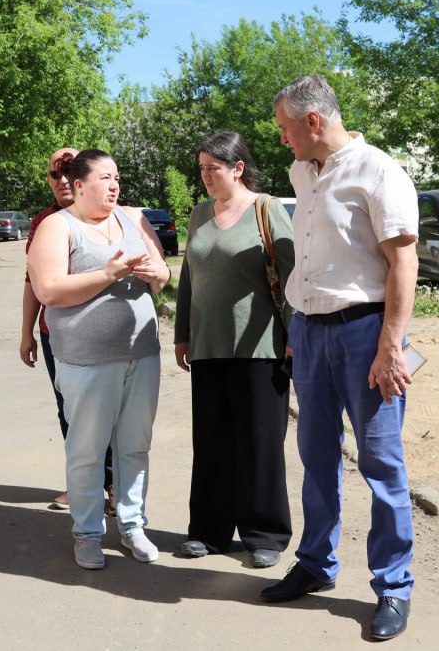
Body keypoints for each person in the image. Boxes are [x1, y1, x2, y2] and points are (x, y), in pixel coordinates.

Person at [260, 75, 418, 643]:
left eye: (284, 128)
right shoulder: (303, 173)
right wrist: (297, 325)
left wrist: (391, 347)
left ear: (313, 122)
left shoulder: (378, 170)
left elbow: (403, 263)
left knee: (381, 464)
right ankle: (316, 564)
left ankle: (393, 586)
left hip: (365, 333)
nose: (281, 140)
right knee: (316, 455)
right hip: (311, 332)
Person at [27, 149, 170, 570]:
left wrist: (153, 275)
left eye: (117, 178)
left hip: (140, 355)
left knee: (134, 447)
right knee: (87, 451)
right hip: (86, 361)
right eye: (105, 178)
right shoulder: (56, 226)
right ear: (80, 183)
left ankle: (132, 526)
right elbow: (49, 290)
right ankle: (88, 533)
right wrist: (109, 274)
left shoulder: (131, 218)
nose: (114, 185)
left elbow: (163, 275)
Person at [174, 131, 294, 569]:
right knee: (211, 443)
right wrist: (182, 333)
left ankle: (265, 534)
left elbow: (292, 274)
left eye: (213, 168)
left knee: (259, 443)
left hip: (260, 347)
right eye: (202, 167)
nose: (205, 175)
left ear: (238, 168)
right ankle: (208, 532)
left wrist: (295, 336)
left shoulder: (267, 209)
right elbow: (189, 277)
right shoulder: (198, 213)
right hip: (208, 346)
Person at [19, 147, 114, 511]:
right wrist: (26, 331)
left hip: (104, 332)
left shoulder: (109, 216)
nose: (61, 181)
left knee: (109, 409)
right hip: (55, 334)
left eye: (68, 172)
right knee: (69, 410)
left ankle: (115, 483)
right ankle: (85, 483)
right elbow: (31, 281)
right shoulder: (44, 221)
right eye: (53, 174)